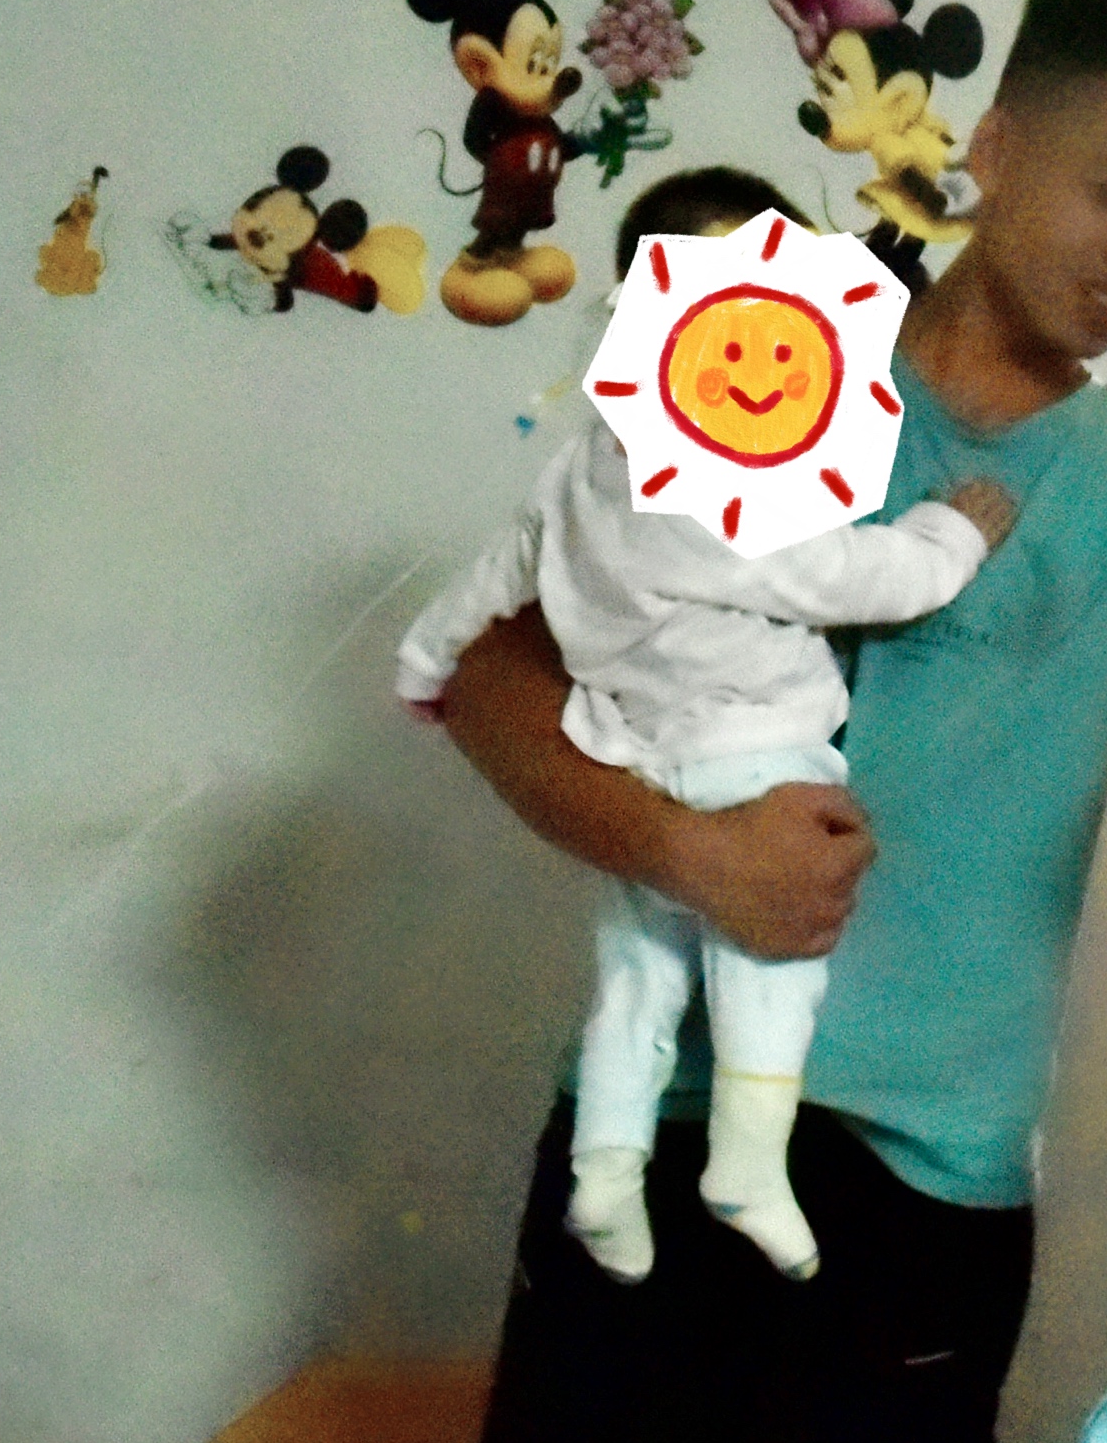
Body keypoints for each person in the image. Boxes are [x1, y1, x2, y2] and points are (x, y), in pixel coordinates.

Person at [428, 0, 1107, 1443]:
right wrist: (687, 851)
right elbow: (491, 673)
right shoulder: (769, 362)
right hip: (656, 1121)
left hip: (926, 1192)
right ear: (997, 148)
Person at [396, 165, 1016, 1286]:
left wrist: (425, 659)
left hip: (634, 750)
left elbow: (502, 570)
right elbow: (862, 576)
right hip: (753, 752)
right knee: (768, 967)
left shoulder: (587, 463)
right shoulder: (729, 490)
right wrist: (955, 534)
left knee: (638, 975)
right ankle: (746, 1164)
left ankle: (605, 1174)